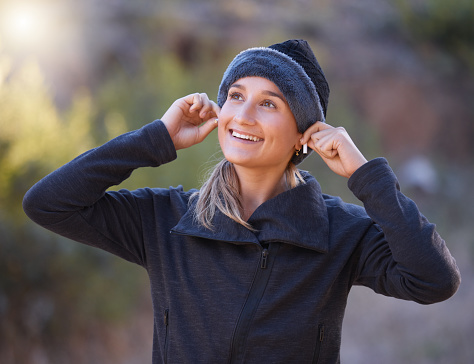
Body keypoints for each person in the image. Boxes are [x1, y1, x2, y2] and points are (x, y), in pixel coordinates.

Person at [23, 39, 461, 363]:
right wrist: (154, 139)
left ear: (303, 137)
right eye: (235, 96)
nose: (243, 115)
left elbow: (434, 280)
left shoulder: (339, 232)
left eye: (269, 103)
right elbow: (48, 203)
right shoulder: (169, 218)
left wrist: (366, 177)